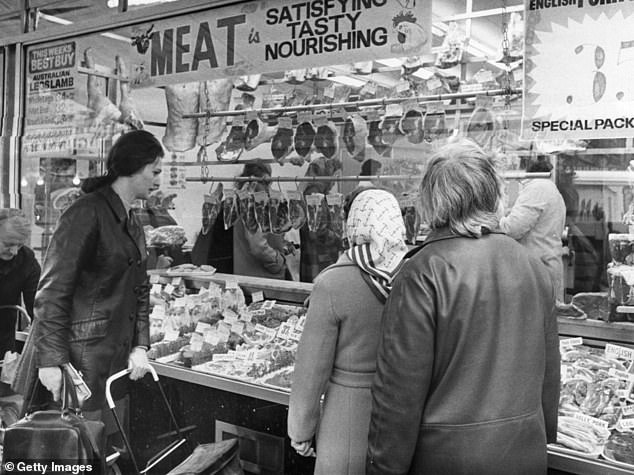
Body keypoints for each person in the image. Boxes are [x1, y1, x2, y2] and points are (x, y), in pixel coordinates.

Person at [366, 140, 560, 475]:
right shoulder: (532, 265)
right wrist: (542, 436)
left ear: (431, 199)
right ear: (491, 193)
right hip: (523, 455)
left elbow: (398, 394)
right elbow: (549, 375)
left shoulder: (422, 270)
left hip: (445, 460)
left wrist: (383, 468)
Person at [19, 129, 160, 417]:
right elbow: (53, 292)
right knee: (73, 451)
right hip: (78, 362)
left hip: (115, 362)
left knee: (103, 450)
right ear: (134, 167)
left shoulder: (131, 219)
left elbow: (140, 288)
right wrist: (50, 361)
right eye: (155, 172)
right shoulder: (85, 212)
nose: (158, 180)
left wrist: (141, 345)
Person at [289, 187, 408, 474]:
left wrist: (300, 430)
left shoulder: (334, 282)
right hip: (403, 413)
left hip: (347, 415)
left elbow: (311, 370)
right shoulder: (415, 275)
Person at [499, 154, 566, 300]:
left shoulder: (537, 188)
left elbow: (512, 229)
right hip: (542, 267)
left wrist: (494, 219)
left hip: (537, 270)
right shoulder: (546, 187)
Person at [233, 160, 290, 280]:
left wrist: (282, 246)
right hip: (263, 280)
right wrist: (277, 261)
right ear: (254, 182)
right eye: (266, 183)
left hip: (245, 276)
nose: (269, 188)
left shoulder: (240, 200)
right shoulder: (255, 204)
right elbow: (258, 246)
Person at [0, 209, 40, 356]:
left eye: (20, 245)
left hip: (4, 337)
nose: (15, 251)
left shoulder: (26, 261)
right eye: (9, 244)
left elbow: (38, 306)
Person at [299, 156, 342, 283]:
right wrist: (338, 238)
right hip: (319, 262)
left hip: (313, 259)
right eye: (335, 176)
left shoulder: (311, 192)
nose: (335, 182)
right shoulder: (314, 194)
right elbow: (317, 232)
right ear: (327, 174)